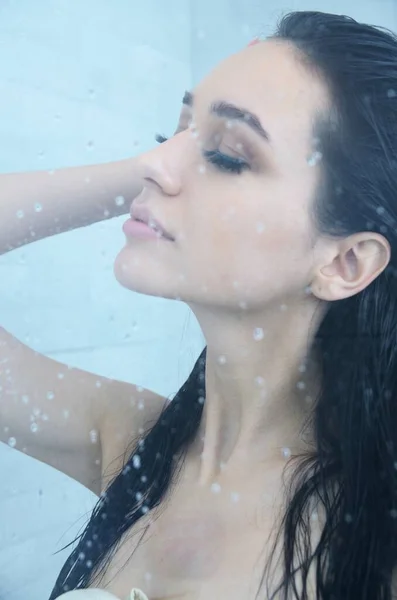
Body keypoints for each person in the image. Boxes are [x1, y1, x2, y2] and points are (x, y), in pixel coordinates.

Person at [2, 8, 397, 600]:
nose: (158, 161)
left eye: (228, 155)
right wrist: (143, 171)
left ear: (345, 263)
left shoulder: (376, 545)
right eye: (173, 133)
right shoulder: (131, 445)